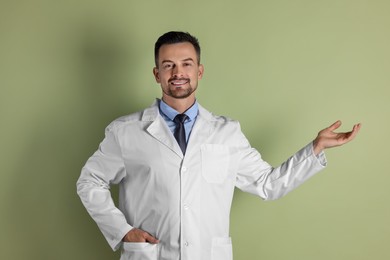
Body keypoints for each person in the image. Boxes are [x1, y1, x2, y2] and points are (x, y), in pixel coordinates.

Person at [77, 31, 361, 260]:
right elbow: (90, 181)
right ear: (157, 74)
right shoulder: (126, 132)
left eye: (186, 64)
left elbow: (267, 184)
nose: (178, 72)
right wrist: (124, 231)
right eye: (168, 65)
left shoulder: (227, 133)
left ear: (199, 71)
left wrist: (315, 149)